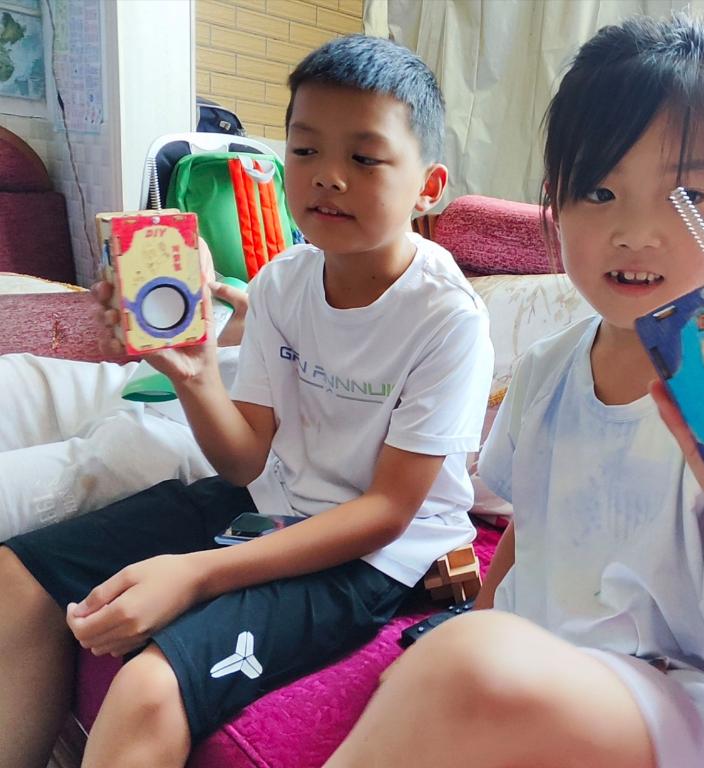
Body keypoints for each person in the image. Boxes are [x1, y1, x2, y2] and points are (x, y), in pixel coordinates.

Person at [322, 15, 704, 768]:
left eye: (688, 195)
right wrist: (472, 633)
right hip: (548, 683)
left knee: (463, 669)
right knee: (450, 669)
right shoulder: (547, 368)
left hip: (688, 717)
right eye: (599, 190)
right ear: (555, 206)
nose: (636, 231)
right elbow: (528, 533)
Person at [0, 34, 493, 768]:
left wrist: (194, 574)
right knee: (18, 576)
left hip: (374, 555)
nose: (327, 177)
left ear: (429, 185)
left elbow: (387, 512)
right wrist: (196, 371)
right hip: (268, 504)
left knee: (150, 687)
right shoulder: (283, 282)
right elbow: (244, 461)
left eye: (364, 158)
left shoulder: (448, 318)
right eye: (305, 150)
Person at [0, 280, 247, 542]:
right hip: (150, 380)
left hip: (212, 445)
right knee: (15, 381)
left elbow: (245, 466)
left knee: (123, 457)